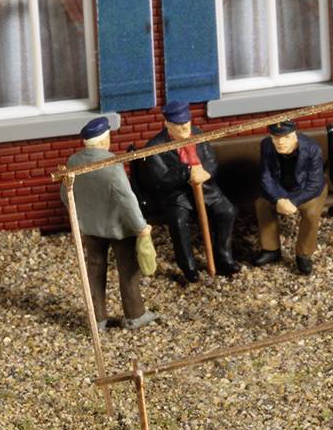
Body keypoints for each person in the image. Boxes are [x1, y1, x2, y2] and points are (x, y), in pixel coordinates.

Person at [60, 117, 158, 329]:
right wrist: (140, 226)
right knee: (128, 270)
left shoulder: (73, 162)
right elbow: (126, 199)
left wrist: (80, 218)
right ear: (105, 140)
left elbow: (65, 195)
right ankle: (135, 315)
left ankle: (97, 319)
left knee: (95, 271)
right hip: (119, 229)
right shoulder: (111, 164)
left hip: (91, 228)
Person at [135, 99, 241, 283]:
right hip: (178, 195)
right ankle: (188, 266)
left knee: (227, 211)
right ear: (167, 124)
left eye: (186, 122)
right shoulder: (155, 147)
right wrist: (187, 172)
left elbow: (211, 163)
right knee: (178, 221)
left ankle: (223, 257)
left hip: (205, 189)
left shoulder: (198, 135)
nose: (184, 127)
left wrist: (204, 173)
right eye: (178, 124)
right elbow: (162, 180)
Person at [250, 120, 326, 275]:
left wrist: (294, 201)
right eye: (276, 138)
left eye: (285, 137)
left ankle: (303, 254)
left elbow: (314, 184)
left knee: (311, 213)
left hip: (306, 191)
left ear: (294, 136)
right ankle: (271, 249)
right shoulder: (266, 145)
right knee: (262, 204)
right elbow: (266, 177)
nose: (280, 142)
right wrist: (278, 198)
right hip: (280, 189)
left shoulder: (312, 149)